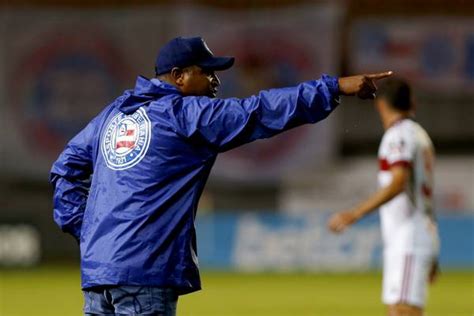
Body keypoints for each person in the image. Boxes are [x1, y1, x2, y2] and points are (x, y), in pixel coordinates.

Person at [50, 36, 391, 315]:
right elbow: (259, 111)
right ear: (179, 75)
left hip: (98, 273)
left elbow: (65, 169)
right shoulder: (184, 115)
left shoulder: (114, 114)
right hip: (144, 273)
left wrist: (91, 231)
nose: (215, 81)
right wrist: (332, 88)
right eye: (207, 72)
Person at [328, 78, 440, 316]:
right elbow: (424, 197)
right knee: (398, 310)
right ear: (413, 103)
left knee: (403, 311)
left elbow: (398, 182)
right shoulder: (419, 135)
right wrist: (434, 249)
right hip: (412, 236)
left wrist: (354, 213)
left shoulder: (398, 136)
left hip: (409, 238)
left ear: (381, 105)